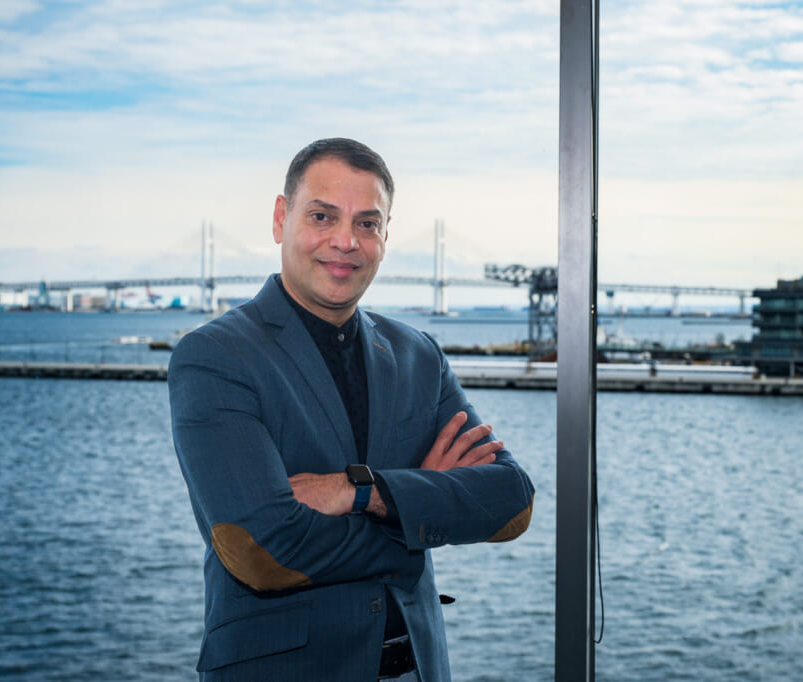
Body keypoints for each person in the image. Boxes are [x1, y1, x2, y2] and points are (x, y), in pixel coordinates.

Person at [168, 138, 535, 681]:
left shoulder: (418, 354)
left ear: (385, 235)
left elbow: (510, 504)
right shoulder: (216, 356)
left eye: (367, 223)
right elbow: (263, 553)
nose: (345, 241)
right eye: (322, 216)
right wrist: (420, 512)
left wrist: (359, 491)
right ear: (280, 217)